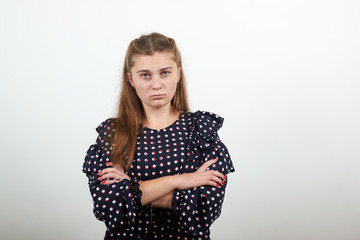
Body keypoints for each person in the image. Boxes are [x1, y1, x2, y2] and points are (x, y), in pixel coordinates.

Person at [83, 32, 235, 240]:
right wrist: (180, 181)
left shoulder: (201, 130)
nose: (156, 84)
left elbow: (204, 209)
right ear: (131, 79)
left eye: (165, 72)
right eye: (145, 74)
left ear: (178, 74)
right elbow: (109, 206)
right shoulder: (113, 134)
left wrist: (132, 187)